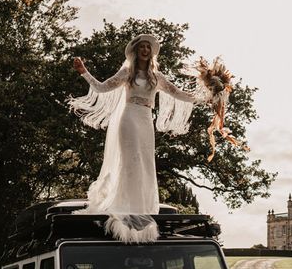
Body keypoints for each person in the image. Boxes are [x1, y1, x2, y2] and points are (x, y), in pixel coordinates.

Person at [69, 34, 207, 243]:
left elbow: (179, 93)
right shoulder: (127, 72)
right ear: (135, 51)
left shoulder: (156, 77)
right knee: (130, 161)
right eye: (142, 47)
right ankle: (126, 207)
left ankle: (142, 208)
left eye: (148, 47)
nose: (145, 50)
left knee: (144, 163)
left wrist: (208, 93)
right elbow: (102, 87)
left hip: (145, 120)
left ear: (151, 52)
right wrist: (84, 73)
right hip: (129, 117)